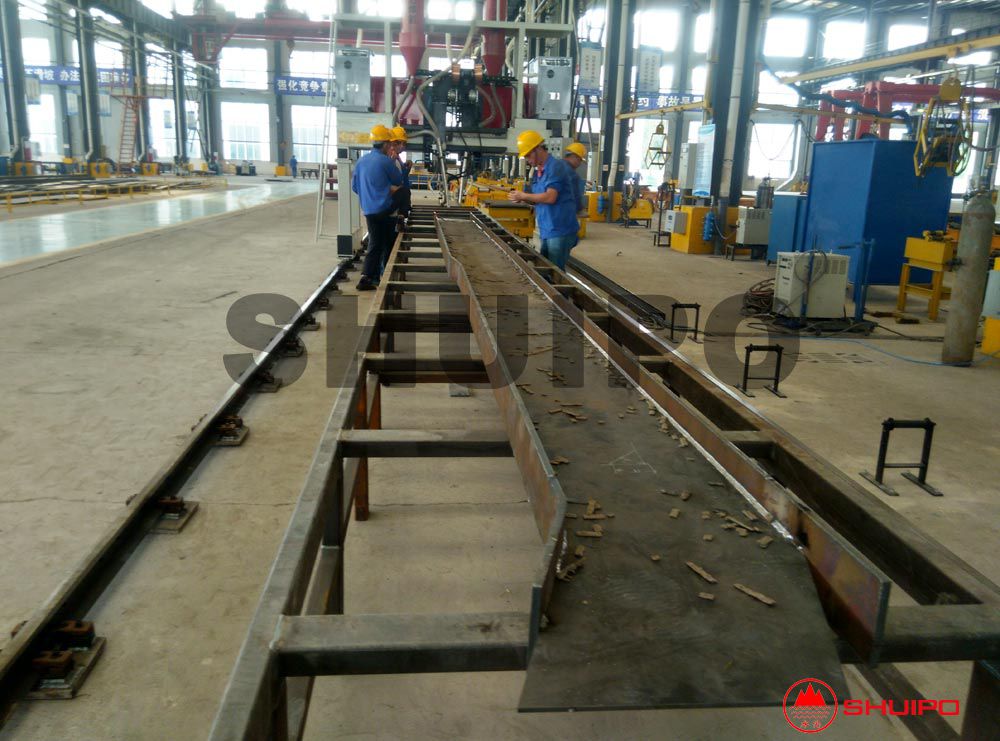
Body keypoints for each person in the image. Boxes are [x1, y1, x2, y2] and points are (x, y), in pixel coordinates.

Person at [508, 130, 579, 270]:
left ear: (538, 149)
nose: (528, 160)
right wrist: (523, 199)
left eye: (528, 155)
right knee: (546, 271)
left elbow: (550, 197)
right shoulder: (539, 171)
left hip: (560, 229)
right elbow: (539, 198)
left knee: (555, 273)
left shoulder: (556, 167)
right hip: (547, 229)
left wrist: (524, 196)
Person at [352, 124, 403, 291]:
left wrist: (370, 194)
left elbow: (355, 187)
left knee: (375, 243)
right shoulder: (385, 161)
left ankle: (368, 277)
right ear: (386, 144)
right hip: (385, 210)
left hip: (368, 211)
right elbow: (398, 180)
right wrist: (394, 162)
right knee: (386, 243)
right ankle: (379, 276)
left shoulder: (361, 161)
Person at [563, 141, 588, 216]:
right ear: (575, 157)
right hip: (564, 213)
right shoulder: (571, 173)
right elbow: (574, 194)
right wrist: (579, 210)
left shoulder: (555, 165)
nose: (579, 164)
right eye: (580, 160)